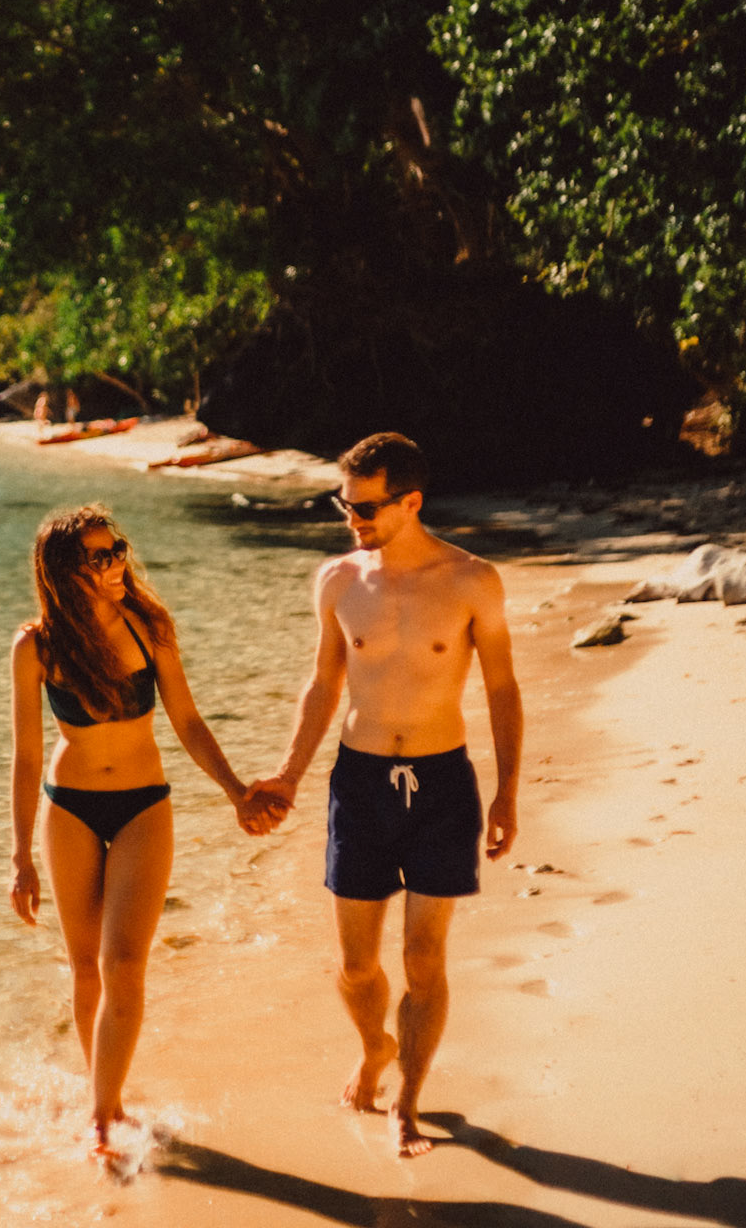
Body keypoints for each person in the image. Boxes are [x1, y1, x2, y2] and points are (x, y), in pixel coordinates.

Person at [248, 432, 523, 1157]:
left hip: (442, 786)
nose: (353, 519)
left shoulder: (472, 580)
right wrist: (288, 775)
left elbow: (501, 687)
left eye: (366, 507)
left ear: (411, 502)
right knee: (356, 965)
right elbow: (323, 683)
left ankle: (409, 1100)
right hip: (361, 783)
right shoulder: (338, 580)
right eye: (345, 504)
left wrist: (507, 792)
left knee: (424, 959)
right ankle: (375, 1045)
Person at [7, 503, 276, 1159]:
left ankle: (100, 1119)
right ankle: (110, 1097)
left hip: (142, 807)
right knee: (85, 970)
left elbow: (187, 720)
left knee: (123, 966)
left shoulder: (149, 626)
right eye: (98, 558)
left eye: (118, 549)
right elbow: (27, 756)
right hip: (68, 808)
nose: (115, 564)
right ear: (64, 572)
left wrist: (235, 791)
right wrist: (20, 857)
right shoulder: (36, 646)